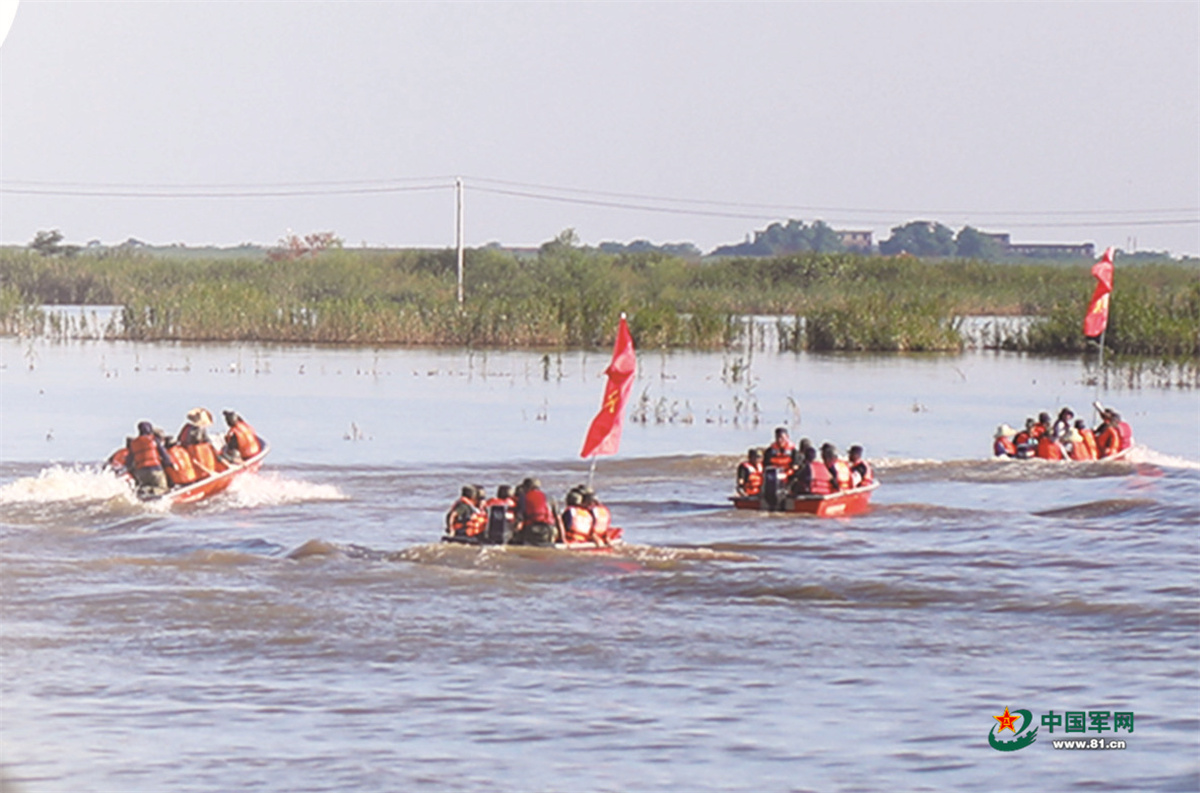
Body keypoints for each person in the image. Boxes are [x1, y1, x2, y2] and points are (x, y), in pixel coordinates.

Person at [126, 421, 173, 497]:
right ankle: (155, 494)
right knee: (163, 488)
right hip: (155, 470)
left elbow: (129, 461)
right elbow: (163, 454)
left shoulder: (133, 443)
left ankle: (145, 492)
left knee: (144, 487)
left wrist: (131, 470)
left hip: (141, 472)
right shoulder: (154, 440)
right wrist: (170, 463)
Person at [178, 407, 223, 478]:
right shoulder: (199, 430)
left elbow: (179, 439)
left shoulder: (187, 427)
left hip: (189, 454)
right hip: (198, 456)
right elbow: (204, 441)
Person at [514, 477, 557, 546]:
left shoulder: (523, 497)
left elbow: (520, 519)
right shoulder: (549, 497)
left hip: (532, 530)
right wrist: (563, 538)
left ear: (527, 487)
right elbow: (558, 519)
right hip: (549, 531)